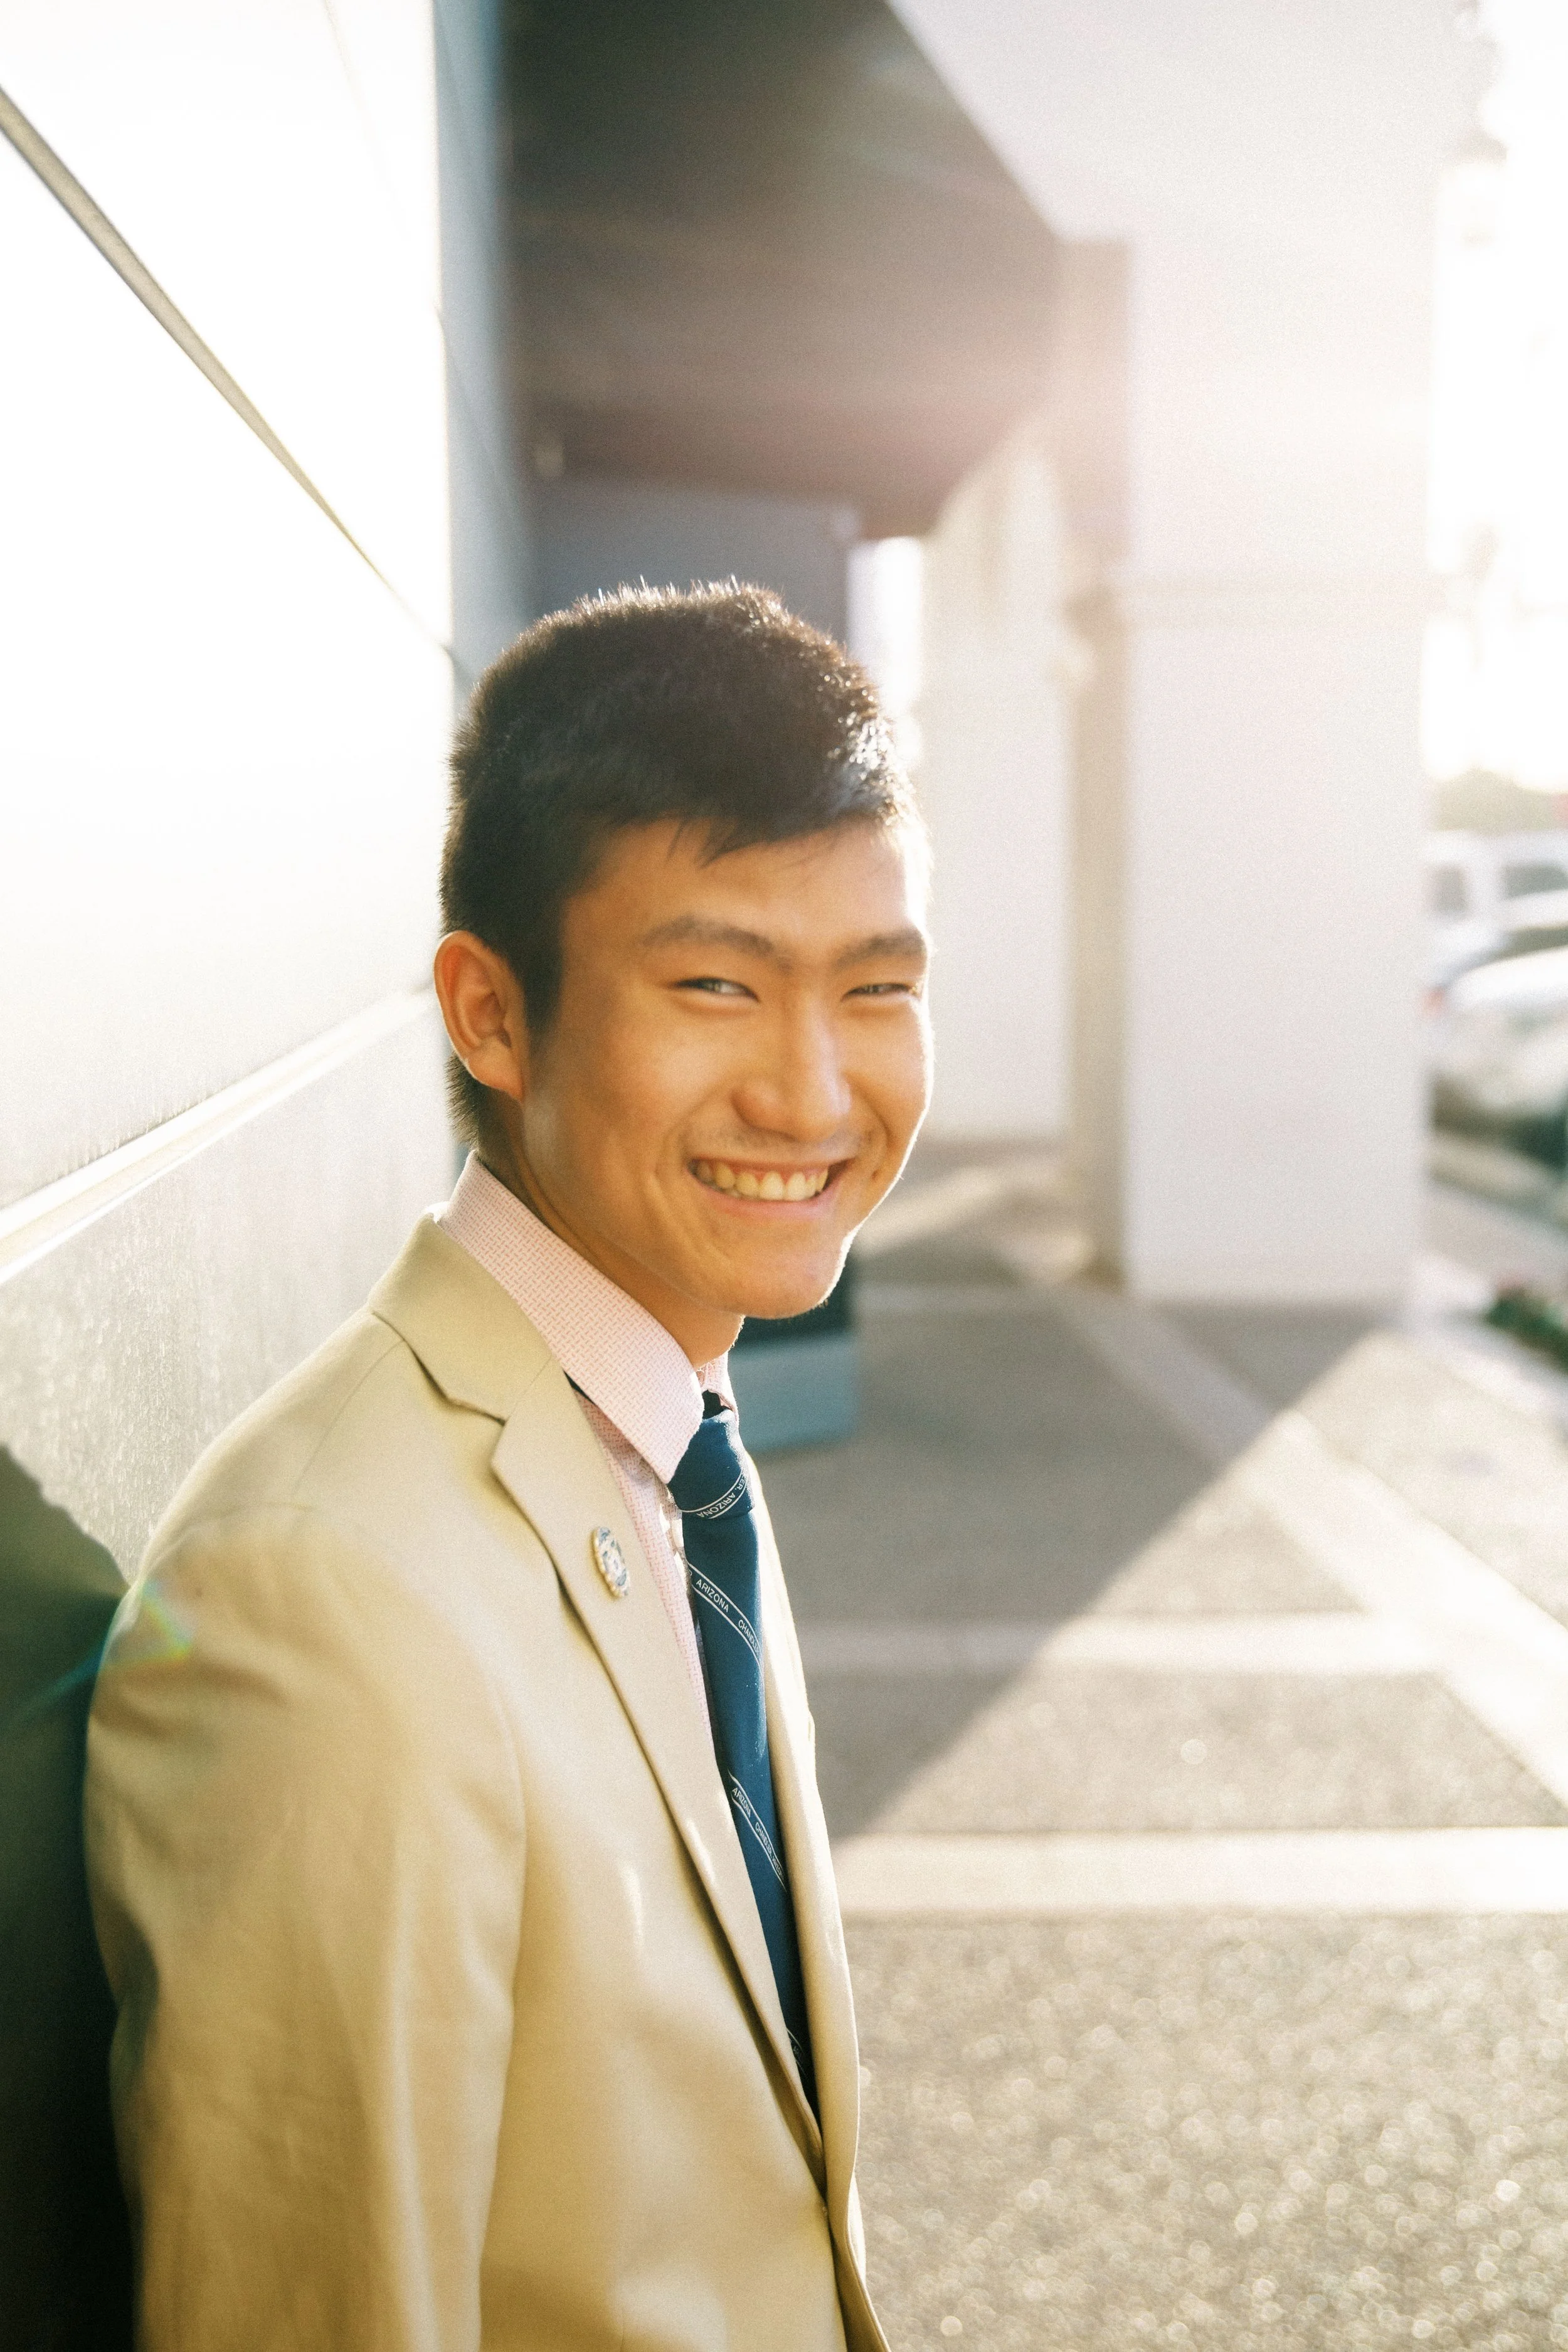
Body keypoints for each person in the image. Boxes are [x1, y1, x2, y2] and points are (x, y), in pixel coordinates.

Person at [85, 583, 931, 2351]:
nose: (814, 1087)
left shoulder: (664, 1426)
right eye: (715, 984)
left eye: (874, 989)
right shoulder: (323, 1594)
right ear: (490, 1011)